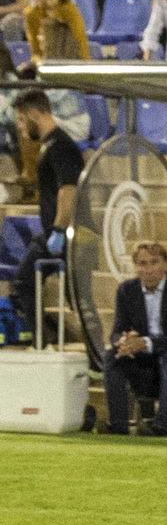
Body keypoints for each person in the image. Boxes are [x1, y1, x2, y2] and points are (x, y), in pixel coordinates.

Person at [100, 238, 167, 436]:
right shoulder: (127, 290)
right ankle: (118, 425)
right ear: (136, 267)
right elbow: (117, 330)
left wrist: (145, 343)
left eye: (154, 262)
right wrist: (122, 341)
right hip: (140, 357)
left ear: (165, 264)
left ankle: (165, 424)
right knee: (112, 356)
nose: (148, 269)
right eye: (142, 264)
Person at [9, 88, 81, 343]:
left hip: (66, 235)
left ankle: (44, 344)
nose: (19, 127)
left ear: (32, 114)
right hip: (57, 233)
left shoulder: (61, 146)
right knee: (26, 285)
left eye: (20, 119)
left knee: (78, 300)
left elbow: (69, 190)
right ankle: (43, 342)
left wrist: (60, 231)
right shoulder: (49, 144)